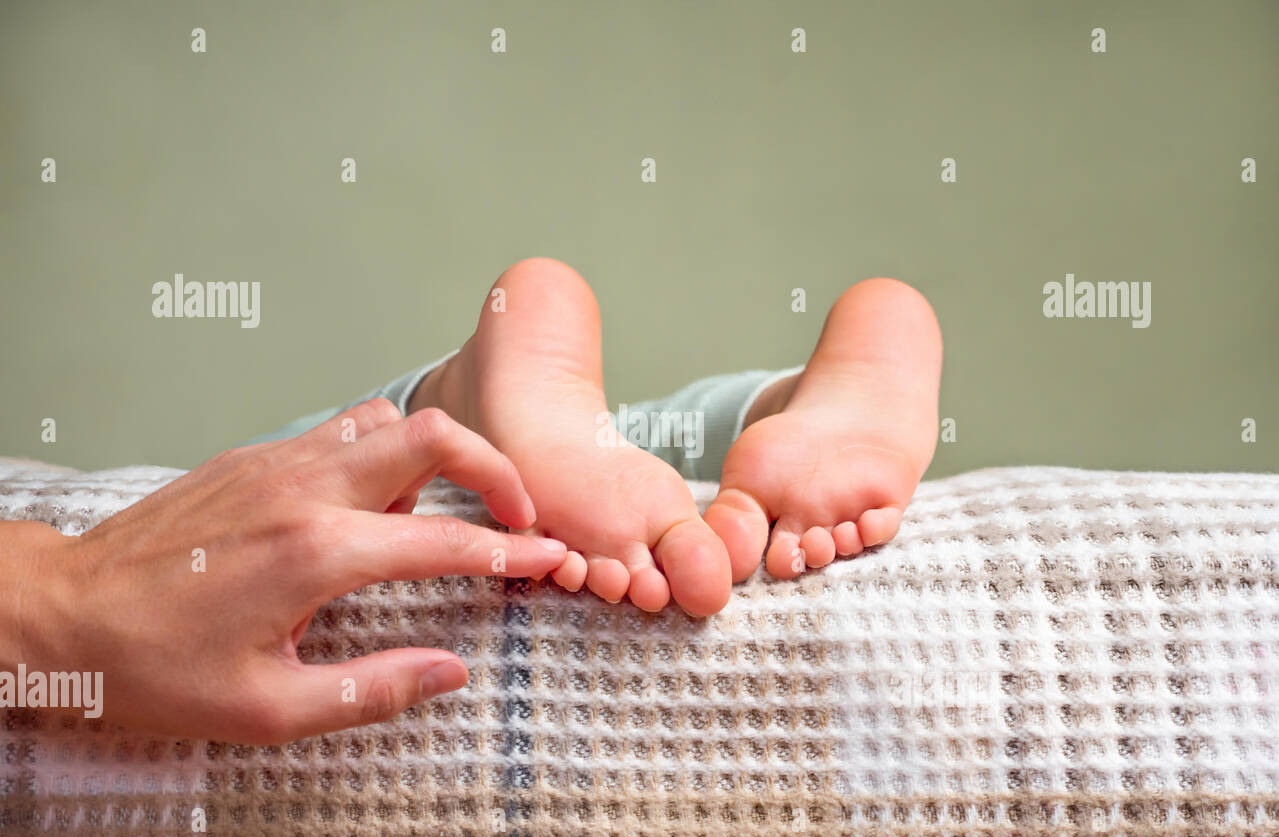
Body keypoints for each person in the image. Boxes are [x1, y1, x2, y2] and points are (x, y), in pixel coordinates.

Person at [0, 258, 940, 743]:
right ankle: (768, 402)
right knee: (376, 452)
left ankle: (473, 397)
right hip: (411, 441)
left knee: (305, 486)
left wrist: (68, 596)